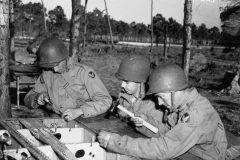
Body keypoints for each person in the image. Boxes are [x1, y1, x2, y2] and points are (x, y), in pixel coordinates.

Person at [98, 63, 228, 160]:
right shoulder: (182, 105)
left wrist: (116, 142)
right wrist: (146, 123)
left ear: (173, 92)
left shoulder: (195, 115)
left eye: (160, 97)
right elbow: (168, 133)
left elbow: (164, 149)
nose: (159, 103)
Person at [24, 37, 112, 120]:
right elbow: (28, 99)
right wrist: (37, 98)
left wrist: (81, 110)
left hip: (84, 121)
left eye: (57, 65)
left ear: (64, 58)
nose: (55, 69)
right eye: (51, 66)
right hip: (59, 120)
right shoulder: (47, 73)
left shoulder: (83, 73)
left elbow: (105, 101)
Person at [114, 55, 165, 137]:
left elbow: (159, 133)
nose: (122, 85)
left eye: (127, 82)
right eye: (122, 81)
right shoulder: (124, 95)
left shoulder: (153, 105)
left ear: (140, 82)